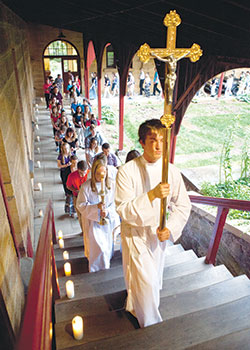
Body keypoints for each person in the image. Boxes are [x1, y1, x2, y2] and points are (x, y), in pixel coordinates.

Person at [115, 119, 191, 328]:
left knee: (153, 278)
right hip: (135, 234)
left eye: (162, 140)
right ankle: (151, 325)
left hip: (157, 235)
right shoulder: (126, 172)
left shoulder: (171, 171)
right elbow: (123, 209)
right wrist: (152, 195)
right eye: (152, 140)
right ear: (142, 142)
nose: (159, 146)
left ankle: (134, 304)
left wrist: (171, 228)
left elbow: (183, 205)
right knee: (146, 280)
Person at [76, 155, 120, 272]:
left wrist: (108, 211)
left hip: (107, 222)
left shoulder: (111, 185)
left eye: (104, 174)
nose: (101, 177)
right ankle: (95, 268)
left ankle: (106, 266)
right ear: (93, 172)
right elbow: (80, 205)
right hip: (93, 223)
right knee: (97, 248)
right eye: (98, 174)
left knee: (106, 247)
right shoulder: (86, 187)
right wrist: (96, 208)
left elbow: (116, 203)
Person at [67, 160, 89, 231]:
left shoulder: (89, 174)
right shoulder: (71, 176)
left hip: (88, 197)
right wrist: (76, 190)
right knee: (80, 215)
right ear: (77, 169)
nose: (82, 175)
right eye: (80, 173)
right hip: (77, 197)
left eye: (84, 173)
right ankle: (83, 231)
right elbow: (68, 186)